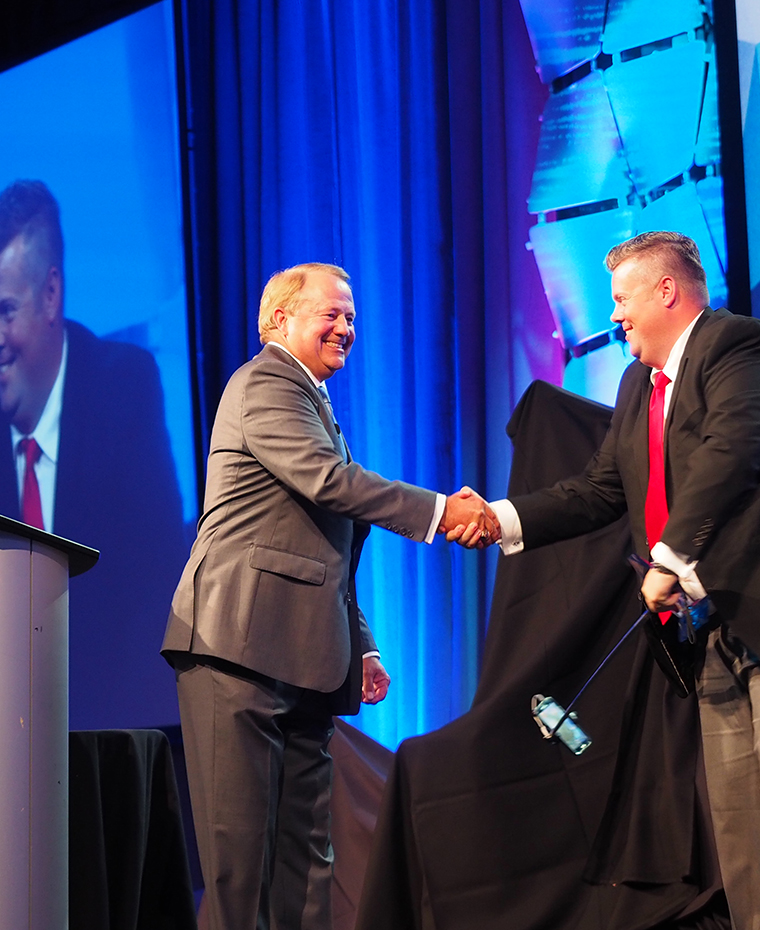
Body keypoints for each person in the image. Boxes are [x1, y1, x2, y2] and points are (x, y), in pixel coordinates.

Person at [451, 231, 760, 930]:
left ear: (667, 290)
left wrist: (668, 560)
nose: (614, 316)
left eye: (621, 298)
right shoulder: (639, 385)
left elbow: (733, 450)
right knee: (739, 826)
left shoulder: (741, 346)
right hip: (718, 624)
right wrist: (500, 517)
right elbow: (600, 489)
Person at [162, 262, 498, 930]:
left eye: (352, 316)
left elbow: (321, 546)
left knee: (307, 863)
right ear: (280, 319)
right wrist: (441, 511)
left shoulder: (313, 402)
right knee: (241, 870)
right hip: (237, 649)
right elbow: (330, 483)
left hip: (304, 658)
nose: (346, 327)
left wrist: (361, 644)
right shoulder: (265, 383)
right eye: (332, 313)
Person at [0, 180, 188, 729]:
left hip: (119, 728)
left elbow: (156, 584)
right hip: (9, 735)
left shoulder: (124, 389)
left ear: (51, 295)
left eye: (7, 313)